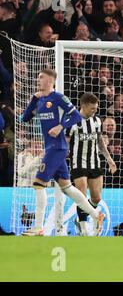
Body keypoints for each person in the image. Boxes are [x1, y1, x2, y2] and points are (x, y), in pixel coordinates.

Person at [20, 69, 104, 236]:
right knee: (67, 188)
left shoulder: (58, 98)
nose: (39, 80)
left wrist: (60, 127)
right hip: (50, 148)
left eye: (41, 77)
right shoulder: (40, 100)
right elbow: (25, 118)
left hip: (57, 148)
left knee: (38, 184)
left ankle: (38, 227)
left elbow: (75, 116)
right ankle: (96, 215)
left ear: (50, 81)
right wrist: (33, 100)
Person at [67, 93, 117, 236]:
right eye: (92, 109)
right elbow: (65, 141)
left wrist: (109, 159)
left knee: (96, 198)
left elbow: (100, 142)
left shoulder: (96, 121)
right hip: (78, 163)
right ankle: (83, 228)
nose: (94, 111)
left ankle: (80, 218)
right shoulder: (72, 122)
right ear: (83, 106)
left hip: (94, 162)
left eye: (96, 108)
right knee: (81, 196)